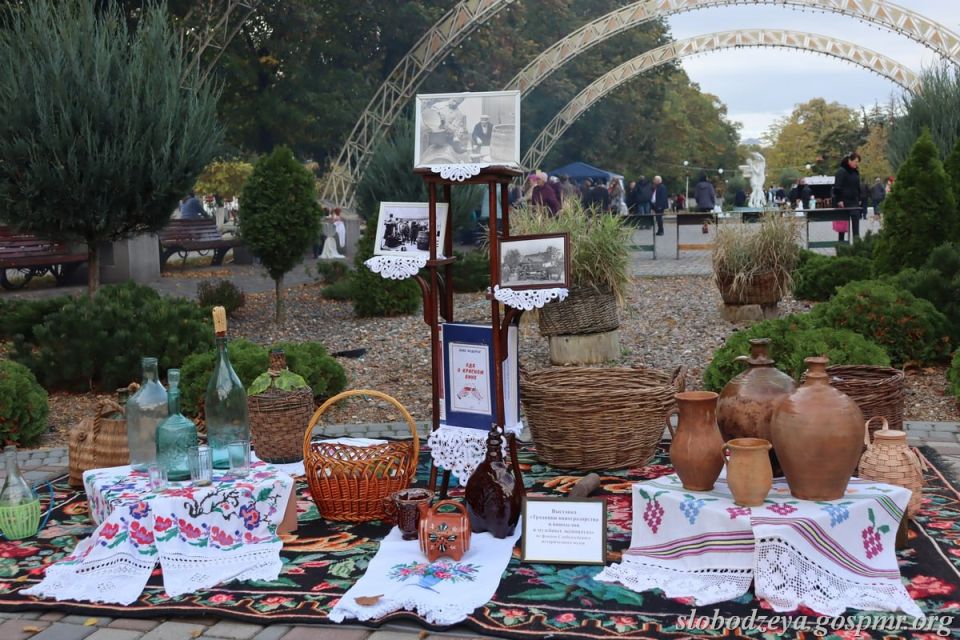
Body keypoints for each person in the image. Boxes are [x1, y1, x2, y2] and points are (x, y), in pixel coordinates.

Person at [832, 151, 862, 242]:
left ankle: (857, 244)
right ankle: (841, 246)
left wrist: (859, 198)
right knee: (842, 227)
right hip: (843, 202)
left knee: (856, 226)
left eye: (858, 162)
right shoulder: (841, 171)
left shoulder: (855, 172)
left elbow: (857, 186)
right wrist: (839, 200)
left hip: (854, 201)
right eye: (855, 161)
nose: (857, 164)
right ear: (849, 160)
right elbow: (837, 187)